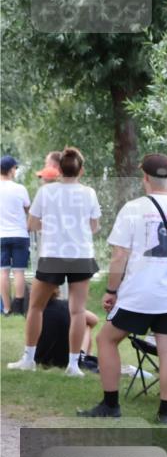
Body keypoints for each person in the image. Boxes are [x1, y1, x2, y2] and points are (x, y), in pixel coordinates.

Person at [78, 154, 167, 423]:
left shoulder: (133, 208)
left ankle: (111, 404)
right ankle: (165, 413)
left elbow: (119, 255)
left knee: (106, 339)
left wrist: (112, 290)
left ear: (145, 177)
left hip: (139, 293)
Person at [8, 148, 101, 376]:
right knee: (78, 311)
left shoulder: (47, 192)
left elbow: (32, 223)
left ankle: (29, 358)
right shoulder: (89, 193)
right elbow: (95, 226)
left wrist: (51, 228)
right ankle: (73, 365)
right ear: (82, 170)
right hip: (81, 255)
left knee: (36, 307)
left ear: (59, 169)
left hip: (52, 254)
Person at [34, 291, 99, 368]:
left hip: (41, 357)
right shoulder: (67, 306)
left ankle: (86, 355)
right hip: (68, 359)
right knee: (86, 325)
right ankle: (86, 355)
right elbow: (94, 320)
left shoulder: (34, 311)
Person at [0, 155, 31, 316]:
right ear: (11, 169)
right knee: (19, 271)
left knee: (3, 272)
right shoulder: (20, 189)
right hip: (20, 234)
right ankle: (19, 307)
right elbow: (28, 209)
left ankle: (6, 308)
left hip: (1, 236)